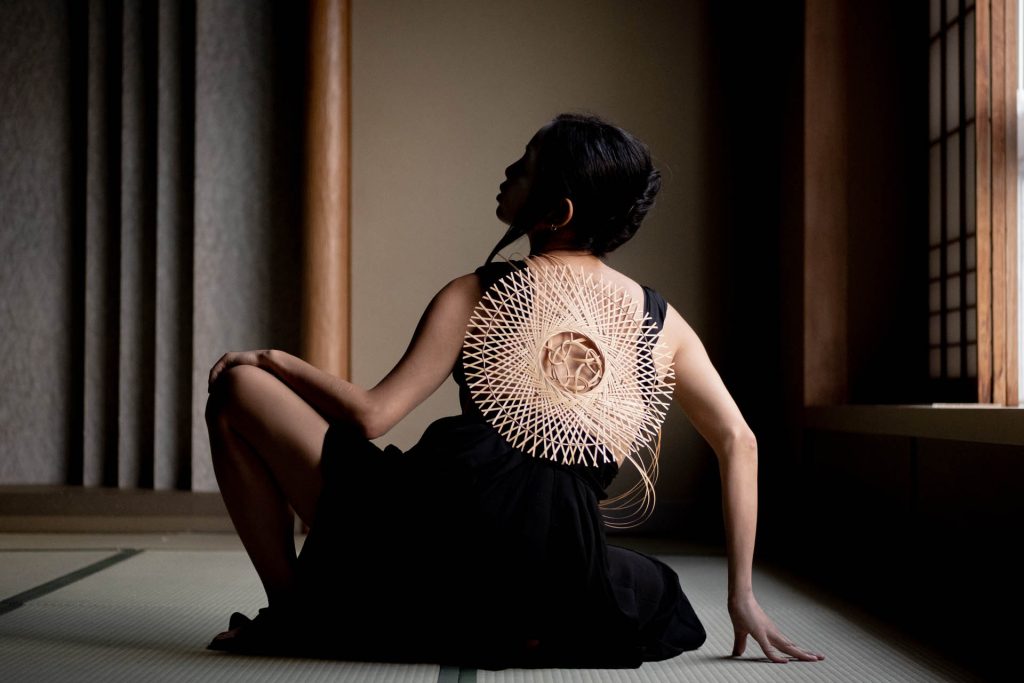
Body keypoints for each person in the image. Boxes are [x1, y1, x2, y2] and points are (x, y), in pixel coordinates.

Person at [203, 112, 826, 669]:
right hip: (556, 575)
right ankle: (506, 621)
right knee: (650, 588)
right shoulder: (661, 322)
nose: (506, 172)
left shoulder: (476, 292)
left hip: (428, 542)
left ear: (558, 213)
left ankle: (292, 610)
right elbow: (738, 440)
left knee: (236, 390)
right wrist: (741, 594)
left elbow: (371, 416)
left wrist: (275, 359)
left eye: (524, 167)